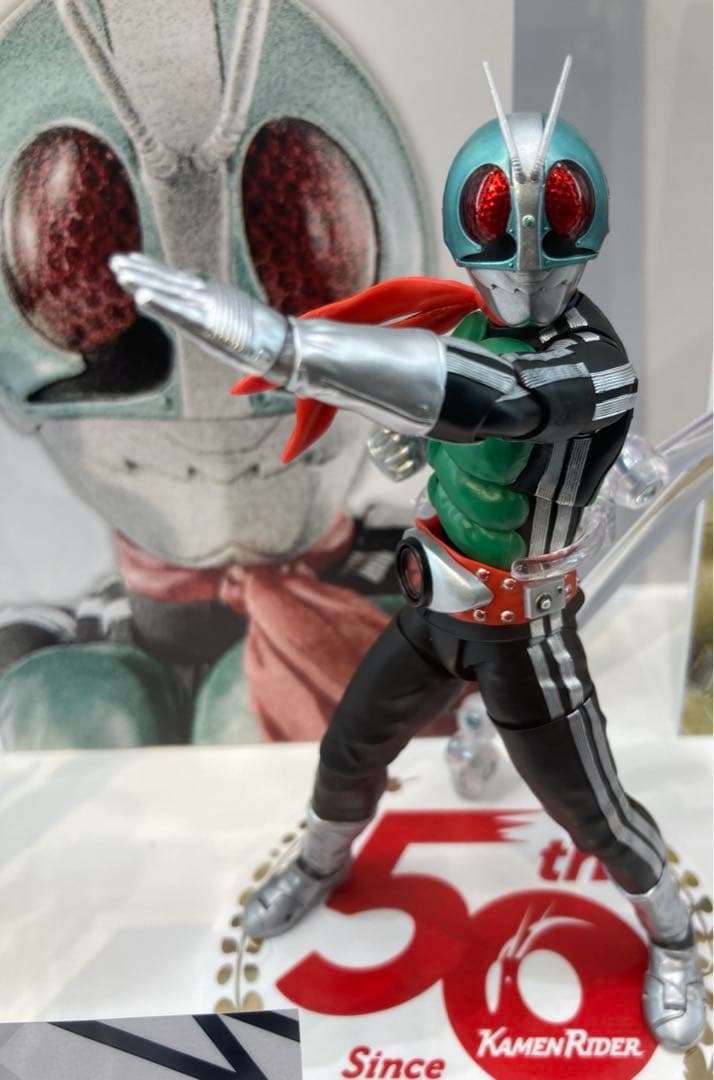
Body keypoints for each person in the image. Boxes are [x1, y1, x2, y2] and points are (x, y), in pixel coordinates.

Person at [111, 58, 705, 1052]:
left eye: (551, 216)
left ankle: (678, 938)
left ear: (585, 225)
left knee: (593, 812)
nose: (526, 252)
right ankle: (320, 861)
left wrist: (286, 347)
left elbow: (493, 400)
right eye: (503, 216)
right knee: (348, 750)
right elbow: (455, 423)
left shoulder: (592, 370)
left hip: (522, 634)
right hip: (433, 606)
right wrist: (412, 445)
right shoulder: (465, 327)